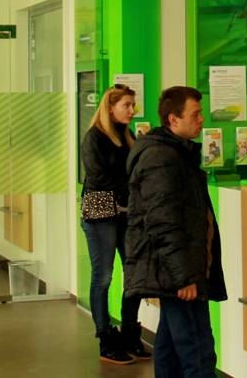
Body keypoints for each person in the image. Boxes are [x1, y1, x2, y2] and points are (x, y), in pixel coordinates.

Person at [125, 86, 227, 378]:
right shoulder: (162, 158)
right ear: (173, 119)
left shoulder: (176, 153)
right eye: (195, 114)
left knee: (170, 347)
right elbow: (163, 222)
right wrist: (184, 277)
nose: (201, 119)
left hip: (178, 269)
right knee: (198, 350)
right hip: (178, 274)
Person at [80, 83, 151, 365]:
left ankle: (130, 333)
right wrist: (130, 186)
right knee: (103, 276)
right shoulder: (94, 137)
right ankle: (105, 338)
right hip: (101, 214)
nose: (132, 111)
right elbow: (99, 178)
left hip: (126, 213)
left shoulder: (127, 135)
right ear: (111, 108)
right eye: (127, 105)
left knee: (134, 273)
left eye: (133, 105)